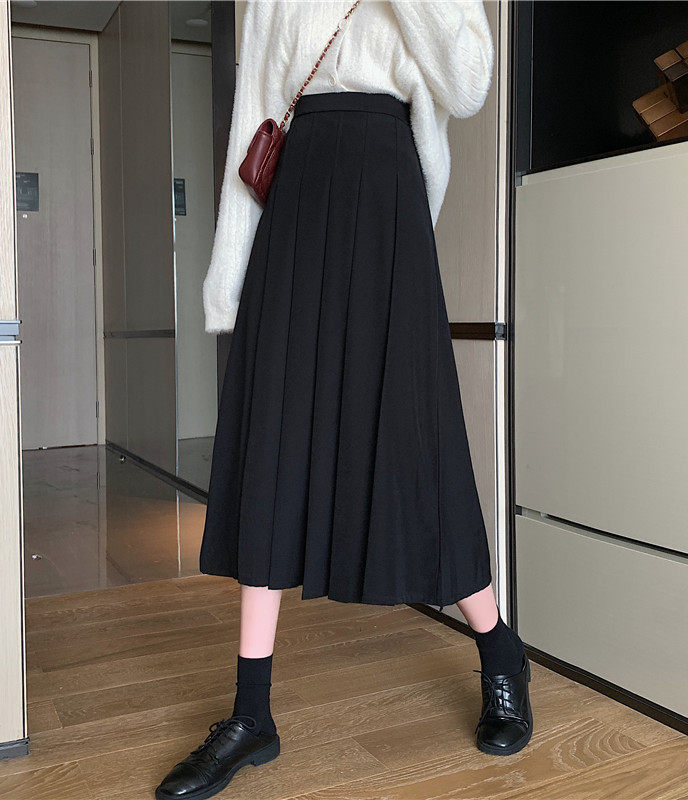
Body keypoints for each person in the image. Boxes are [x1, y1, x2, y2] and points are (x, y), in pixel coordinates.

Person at [156, 2, 532, 798]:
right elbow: (255, 115)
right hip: (296, 203)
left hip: (387, 194)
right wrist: (227, 275)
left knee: (416, 441)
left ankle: (500, 652)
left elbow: (468, 86)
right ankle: (250, 714)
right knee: (274, 441)